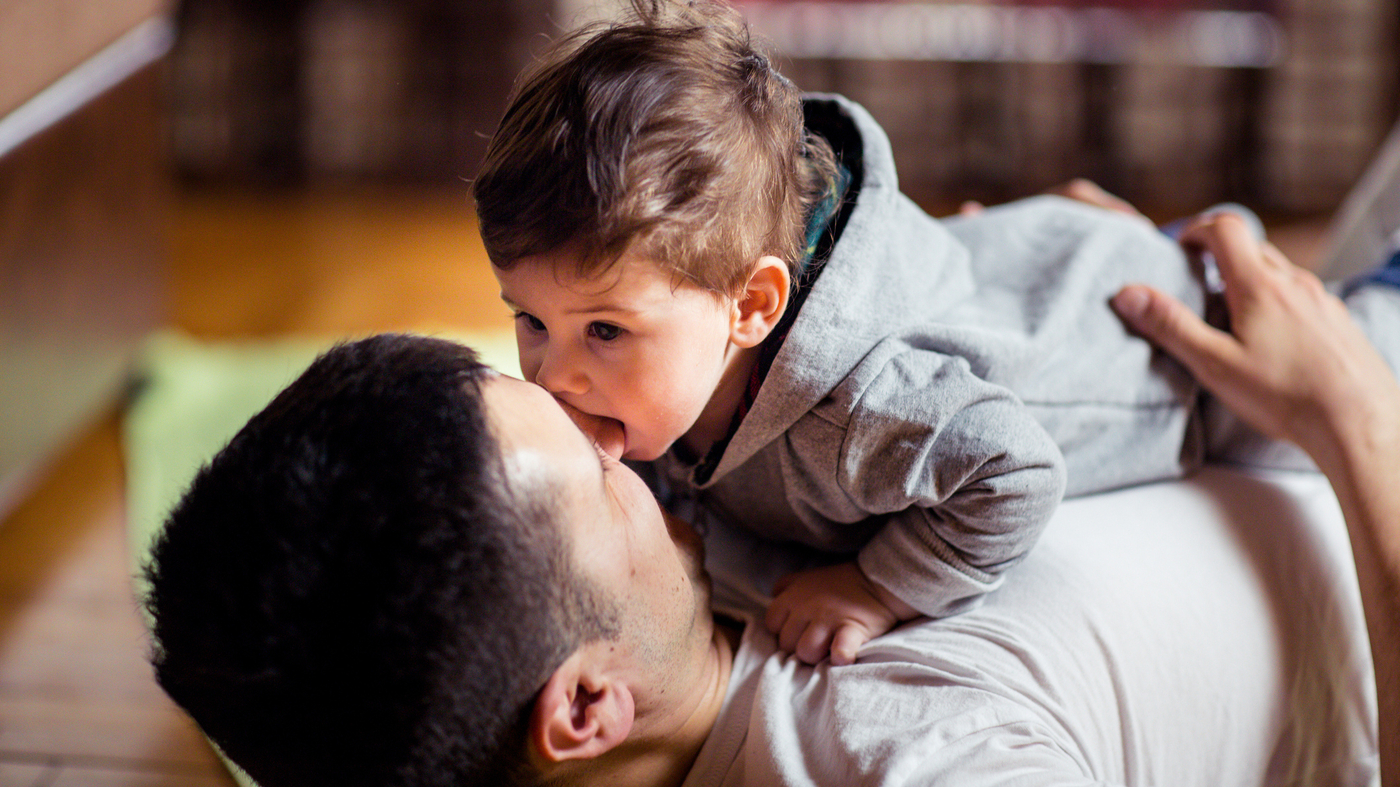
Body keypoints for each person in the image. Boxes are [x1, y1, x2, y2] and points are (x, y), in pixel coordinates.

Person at [143, 207, 1399, 784]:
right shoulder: (907, 762)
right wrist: (1353, 419)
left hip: (1226, 343)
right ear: (584, 704)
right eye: (592, 465)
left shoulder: (686, 570)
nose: (622, 435)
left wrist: (1061, 308)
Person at [470, 0, 1400, 666]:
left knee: (1372, 338)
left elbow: (1019, 471)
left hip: (1184, 346)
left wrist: (877, 587)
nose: (553, 375)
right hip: (1053, 259)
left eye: (602, 330)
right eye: (528, 320)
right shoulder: (679, 344)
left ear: (753, 307)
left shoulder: (864, 415)